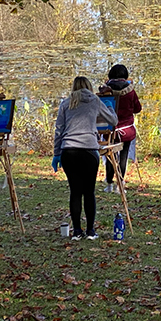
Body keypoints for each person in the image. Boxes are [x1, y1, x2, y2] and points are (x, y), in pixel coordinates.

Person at [52, 76, 117, 240]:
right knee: (89, 192)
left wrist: (56, 154)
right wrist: (109, 108)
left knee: (75, 192)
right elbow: (113, 120)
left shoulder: (66, 103)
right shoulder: (94, 100)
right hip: (89, 150)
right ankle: (90, 231)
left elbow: (59, 130)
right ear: (89, 87)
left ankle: (76, 232)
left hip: (69, 151)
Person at [98, 64, 142, 193]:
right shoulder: (130, 91)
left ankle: (109, 184)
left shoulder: (106, 91)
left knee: (110, 157)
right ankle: (120, 185)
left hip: (109, 130)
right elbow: (137, 109)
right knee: (123, 157)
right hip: (126, 130)